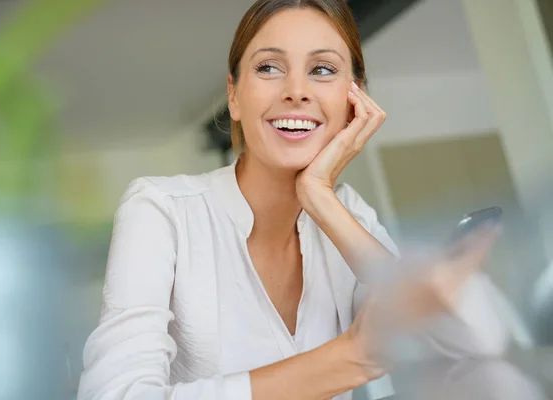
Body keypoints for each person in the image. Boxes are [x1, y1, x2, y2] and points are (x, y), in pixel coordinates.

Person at [77, 1, 509, 399]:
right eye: (268, 67)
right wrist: (352, 357)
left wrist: (320, 198)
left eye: (323, 70)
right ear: (234, 96)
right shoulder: (161, 210)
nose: (296, 90)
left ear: (353, 100)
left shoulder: (348, 211)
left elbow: (471, 343)